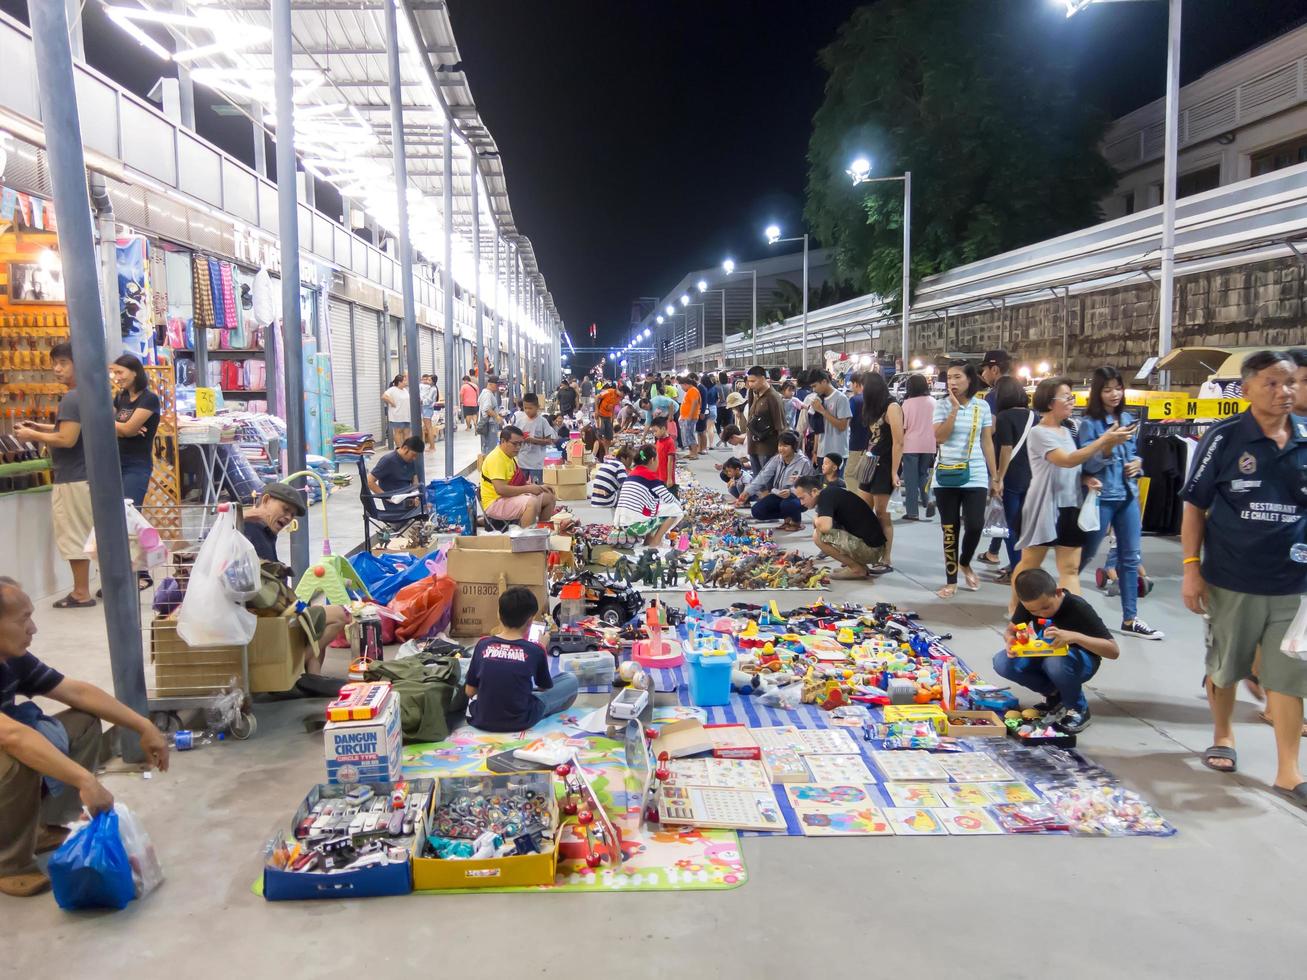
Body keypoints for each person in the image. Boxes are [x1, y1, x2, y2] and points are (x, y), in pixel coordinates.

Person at [1181, 350, 1307, 804]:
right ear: (1248, 387)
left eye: (1290, 382)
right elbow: (1194, 505)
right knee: (1226, 665)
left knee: (1291, 675)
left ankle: (1289, 770)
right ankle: (1223, 734)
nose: (1284, 392)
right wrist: (1191, 570)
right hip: (1231, 577)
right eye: (1272, 383)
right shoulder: (1225, 437)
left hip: (1294, 583)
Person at [0, 577, 170, 897]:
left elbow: (76, 691)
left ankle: (37, 828)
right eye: (23, 619)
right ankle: (8, 862)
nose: (33, 628)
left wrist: (144, 726)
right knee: (14, 755)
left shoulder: (12, 659)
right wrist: (85, 781)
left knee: (83, 723)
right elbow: (10, 736)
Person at [1012, 377, 1133, 611]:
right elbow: (1065, 460)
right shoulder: (1039, 432)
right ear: (1049, 402)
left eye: (1072, 397)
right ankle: (1017, 608)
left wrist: (1086, 479)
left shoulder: (1068, 430)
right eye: (1066, 397)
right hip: (1043, 507)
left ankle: (1076, 616)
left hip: (1070, 505)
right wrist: (1103, 440)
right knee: (1030, 564)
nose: (1071, 401)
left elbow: (1073, 467)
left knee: (1069, 569)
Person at [1076, 367, 1162, 639]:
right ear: (1097, 392)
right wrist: (1109, 445)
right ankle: (1057, 604)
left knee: (1130, 557)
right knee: (1083, 556)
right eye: (1107, 389)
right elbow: (1086, 463)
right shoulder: (1090, 423)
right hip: (1101, 498)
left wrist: (1138, 463)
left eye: (1117, 388)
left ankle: (1131, 618)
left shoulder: (1126, 417)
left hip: (1127, 496)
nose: (1114, 394)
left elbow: (1134, 454)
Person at [14, 343, 94, 609]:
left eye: (63, 363)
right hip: (86, 476)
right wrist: (43, 426)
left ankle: (81, 593)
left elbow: (67, 439)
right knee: (90, 534)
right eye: (55, 363)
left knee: (74, 536)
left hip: (73, 477)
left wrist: (31, 435)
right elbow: (73, 430)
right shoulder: (89, 392)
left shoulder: (72, 397)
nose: (56, 369)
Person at [991, 568, 1119, 734]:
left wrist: (1074, 637)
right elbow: (1010, 630)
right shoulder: (1031, 604)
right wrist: (1010, 641)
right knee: (1003, 662)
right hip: (1047, 654)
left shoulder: (1078, 607)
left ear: (1058, 592)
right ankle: (1055, 695)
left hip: (1081, 659)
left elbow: (1113, 651)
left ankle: (1077, 708)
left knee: (1055, 662)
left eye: (1045, 607)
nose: (1040, 613)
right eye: (1033, 611)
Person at [239, 483, 349, 675]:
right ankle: (288, 670)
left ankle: (312, 678)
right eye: (285, 509)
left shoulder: (260, 530)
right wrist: (298, 608)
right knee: (340, 615)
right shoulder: (251, 530)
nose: (288, 517)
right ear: (265, 500)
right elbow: (264, 591)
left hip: (275, 608)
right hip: (269, 615)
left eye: (292, 515)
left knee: (318, 620)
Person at [464, 587, 578, 733]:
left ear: (499, 614)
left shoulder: (483, 644)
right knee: (570, 680)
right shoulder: (535, 650)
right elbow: (544, 687)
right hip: (521, 720)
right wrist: (542, 648)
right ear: (530, 621)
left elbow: (469, 691)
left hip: (481, 718)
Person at [931, 360, 998, 598]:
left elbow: (987, 441)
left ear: (970, 379)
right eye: (949, 377)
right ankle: (951, 581)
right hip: (946, 474)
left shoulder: (983, 407)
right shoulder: (940, 406)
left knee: (975, 525)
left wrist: (995, 476)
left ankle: (965, 561)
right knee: (950, 529)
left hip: (976, 473)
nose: (952, 382)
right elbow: (939, 437)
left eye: (957, 377)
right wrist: (953, 410)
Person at [793, 474, 886, 580]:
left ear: (814, 492)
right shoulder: (830, 493)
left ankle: (856, 569)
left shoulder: (826, 496)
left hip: (871, 550)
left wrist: (815, 518)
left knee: (818, 535)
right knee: (821, 529)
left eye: (802, 498)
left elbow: (825, 527)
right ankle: (858, 566)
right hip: (873, 547)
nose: (801, 503)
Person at [991, 376, 1037, 584]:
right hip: (1032, 476)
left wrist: (999, 477)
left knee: (1010, 526)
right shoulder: (1034, 416)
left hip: (1012, 478)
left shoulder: (1004, 417)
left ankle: (1018, 571)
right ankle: (1023, 565)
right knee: (1025, 526)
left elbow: (1006, 449)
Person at [856, 372, 903, 574]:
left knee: (882, 514)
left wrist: (894, 472)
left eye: (862, 386)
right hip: (870, 463)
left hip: (885, 466)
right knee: (862, 510)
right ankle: (865, 553)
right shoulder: (873, 408)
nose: (860, 390)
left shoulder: (892, 407)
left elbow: (899, 442)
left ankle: (886, 558)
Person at [479, 425, 556, 528]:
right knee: (531, 503)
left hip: (507, 498)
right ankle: (525, 538)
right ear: (503, 441)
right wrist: (529, 489)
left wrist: (540, 487)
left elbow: (517, 483)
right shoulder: (496, 459)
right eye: (515, 444)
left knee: (549, 496)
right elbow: (501, 490)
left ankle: (541, 531)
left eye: (521, 444)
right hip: (495, 502)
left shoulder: (510, 457)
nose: (518, 447)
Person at [109, 354, 160, 509]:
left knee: (130, 513)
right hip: (114, 463)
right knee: (114, 513)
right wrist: (122, 428)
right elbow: (104, 426)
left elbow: (128, 430)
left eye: (120, 372)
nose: (117, 377)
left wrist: (124, 428)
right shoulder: (120, 397)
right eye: (115, 373)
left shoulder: (149, 398)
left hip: (136, 465)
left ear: (135, 372)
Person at [979, 350, 1013, 568]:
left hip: (1000, 455)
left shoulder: (994, 395)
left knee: (1004, 506)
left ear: (994, 369)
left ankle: (1015, 563)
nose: (983, 374)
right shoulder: (1018, 392)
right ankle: (993, 551)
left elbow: (989, 430)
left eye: (984, 369)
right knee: (1006, 507)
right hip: (1017, 457)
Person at [741, 431, 813, 532]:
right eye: (780, 445)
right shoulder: (777, 459)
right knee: (757, 511)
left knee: (788, 505)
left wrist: (791, 491)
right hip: (778, 494)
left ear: (794, 447)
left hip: (798, 497)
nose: (781, 449)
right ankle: (787, 517)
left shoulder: (804, 462)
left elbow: (808, 484)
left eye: (785, 446)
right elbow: (763, 475)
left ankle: (797, 523)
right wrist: (748, 491)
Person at [613, 444, 684, 546]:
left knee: (656, 507)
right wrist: (681, 508)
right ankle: (655, 541)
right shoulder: (649, 476)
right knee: (675, 510)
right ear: (652, 460)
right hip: (635, 527)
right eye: (657, 459)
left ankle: (648, 541)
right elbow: (669, 498)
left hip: (623, 524)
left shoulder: (633, 473)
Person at [900, 373, 937, 521]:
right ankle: (928, 500)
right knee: (923, 474)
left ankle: (912, 511)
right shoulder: (934, 402)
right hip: (929, 444)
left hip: (911, 445)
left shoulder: (908, 404)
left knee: (910, 480)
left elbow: (904, 426)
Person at [745, 365, 784, 475]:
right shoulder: (753, 394)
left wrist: (780, 450)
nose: (750, 384)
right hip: (753, 446)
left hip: (767, 448)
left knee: (766, 483)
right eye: (749, 381)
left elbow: (780, 425)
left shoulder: (773, 397)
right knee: (757, 483)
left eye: (753, 381)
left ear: (763, 379)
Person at [808, 370, 851, 465]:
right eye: (812, 387)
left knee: (835, 480)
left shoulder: (841, 398)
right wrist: (815, 451)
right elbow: (818, 430)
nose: (814, 390)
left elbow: (842, 426)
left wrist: (822, 411)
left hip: (837, 454)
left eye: (815, 386)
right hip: (821, 453)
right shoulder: (818, 399)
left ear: (824, 381)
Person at [511, 393, 556, 484]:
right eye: (525, 408)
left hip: (537, 464)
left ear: (537, 407)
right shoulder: (519, 421)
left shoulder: (542, 422)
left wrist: (533, 440)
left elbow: (549, 441)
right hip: (522, 461)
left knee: (537, 487)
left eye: (530, 408)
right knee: (521, 487)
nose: (527, 411)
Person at [846, 373, 870, 502]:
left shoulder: (854, 400)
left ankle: (855, 503)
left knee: (850, 475)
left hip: (857, 443)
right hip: (871, 445)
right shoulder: (872, 399)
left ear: (856, 383)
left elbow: (847, 422)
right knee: (864, 476)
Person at [651, 415, 678, 497]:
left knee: (671, 497)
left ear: (663, 429)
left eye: (655, 431)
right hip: (659, 474)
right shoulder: (659, 440)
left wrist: (669, 478)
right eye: (653, 432)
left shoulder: (670, 442)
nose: (654, 434)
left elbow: (670, 461)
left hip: (666, 477)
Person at [595, 383, 622, 461]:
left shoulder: (618, 398)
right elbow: (597, 397)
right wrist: (596, 410)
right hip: (600, 415)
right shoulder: (609, 391)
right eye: (621, 393)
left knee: (609, 436)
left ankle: (606, 453)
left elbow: (613, 407)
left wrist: (613, 417)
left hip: (608, 417)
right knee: (600, 433)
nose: (621, 396)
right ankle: (601, 452)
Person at [382, 374, 411, 445]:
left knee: (407, 433)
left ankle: (406, 449)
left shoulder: (405, 390)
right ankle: (399, 449)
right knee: (398, 432)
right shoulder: (392, 389)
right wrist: (392, 403)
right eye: (404, 380)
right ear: (399, 382)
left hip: (406, 416)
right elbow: (384, 396)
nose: (406, 382)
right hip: (397, 416)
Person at [477, 376, 504, 455]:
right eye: (497, 385)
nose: (498, 387)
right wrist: (497, 417)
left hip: (489, 423)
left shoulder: (487, 394)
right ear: (490, 384)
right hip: (490, 424)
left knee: (488, 445)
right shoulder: (487, 394)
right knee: (490, 447)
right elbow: (487, 409)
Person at [678, 376, 702, 459]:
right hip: (686, 417)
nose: (682, 388)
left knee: (690, 435)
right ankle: (691, 452)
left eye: (682, 386)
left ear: (686, 384)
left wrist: (690, 416)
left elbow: (694, 403)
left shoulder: (693, 390)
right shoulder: (690, 391)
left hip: (690, 417)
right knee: (687, 436)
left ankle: (694, 453)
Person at [418, 374, 440, 448]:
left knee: (429, 428)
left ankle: (432, 446)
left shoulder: (433, 389)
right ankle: (429, 446)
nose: (427, 381)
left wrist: (421, 401)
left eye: (429, 380)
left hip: (427, 409)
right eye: (427, 379)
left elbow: (428, 400)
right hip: (426, 409)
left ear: (433, 381)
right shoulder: (431, 388)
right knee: (426, 428)